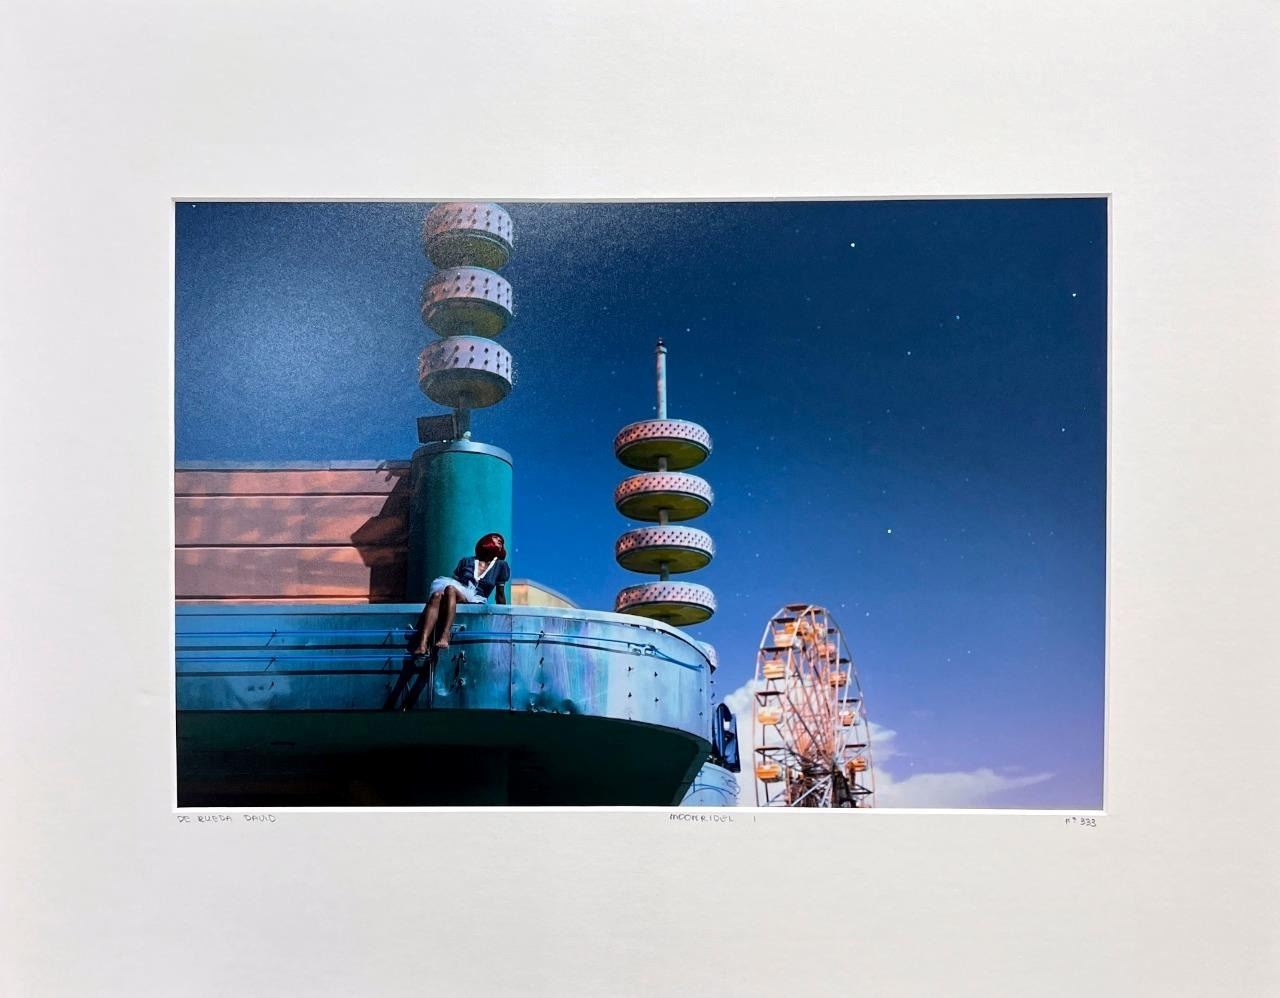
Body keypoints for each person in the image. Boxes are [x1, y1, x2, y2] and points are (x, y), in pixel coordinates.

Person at [410, 532, 510, 656]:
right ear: (486, 541)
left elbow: (500, 594)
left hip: (477, 599)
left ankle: (446, 634)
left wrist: (503, 614)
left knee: (450, 589)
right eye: (496, 538)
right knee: (436, 595)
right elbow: (455, 581)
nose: (500, 540)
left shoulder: (501, 565)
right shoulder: (466, 561)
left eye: (501, 541)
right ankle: (422, 643)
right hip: (459, 592)